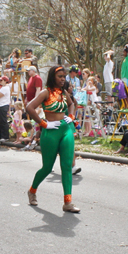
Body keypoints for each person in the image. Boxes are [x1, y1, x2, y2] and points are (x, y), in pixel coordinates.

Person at [26, 66, 79, 213]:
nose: (63, 79)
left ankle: (67, 203)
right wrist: (44, 123)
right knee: (47, 167)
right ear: (52, 77)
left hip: (65, 129)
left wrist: (71, 116)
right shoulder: (45, 92)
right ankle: (32, 191)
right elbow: (29, 107)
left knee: (67, 166)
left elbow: (71, 104)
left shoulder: (63, 93)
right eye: (60, 76)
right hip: (50, 132)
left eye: (64, 76)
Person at [0, 76, 11, 140]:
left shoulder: (5, 88)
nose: (0, 82)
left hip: (2, 106)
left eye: (1, 80)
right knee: (0, 122)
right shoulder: (3, 88)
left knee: (3, 121)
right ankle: (0, 136)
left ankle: (5, 136)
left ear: (5, 81)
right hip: (0, 106)